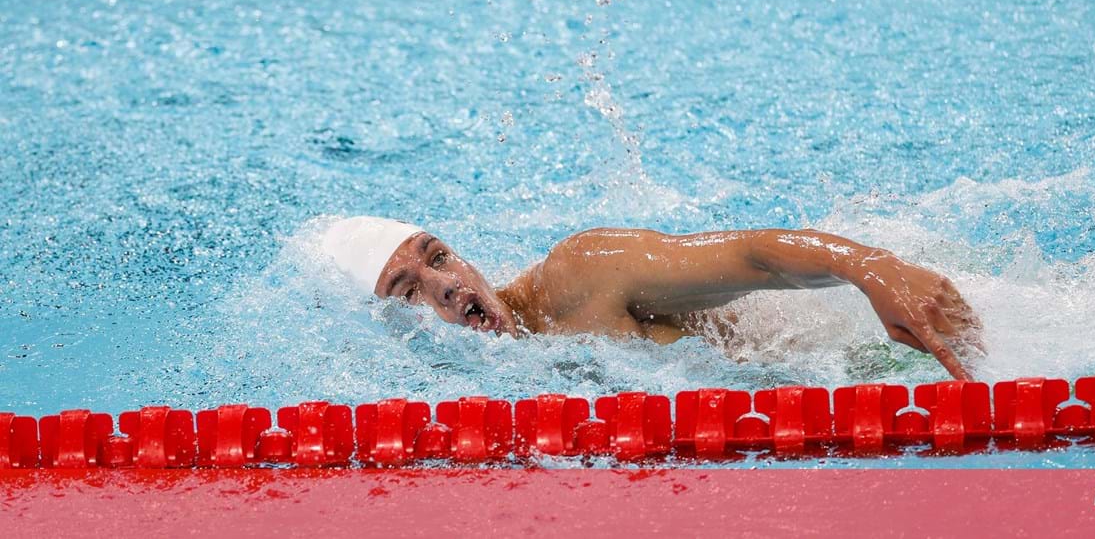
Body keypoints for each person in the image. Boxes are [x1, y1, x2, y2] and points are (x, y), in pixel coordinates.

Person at [321, 217, 984, 379]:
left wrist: (873, 269)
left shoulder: (580, 275)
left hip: (886, 352)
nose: (444, 284)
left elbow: (749, 255)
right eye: (407, 290)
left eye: (438, 256)